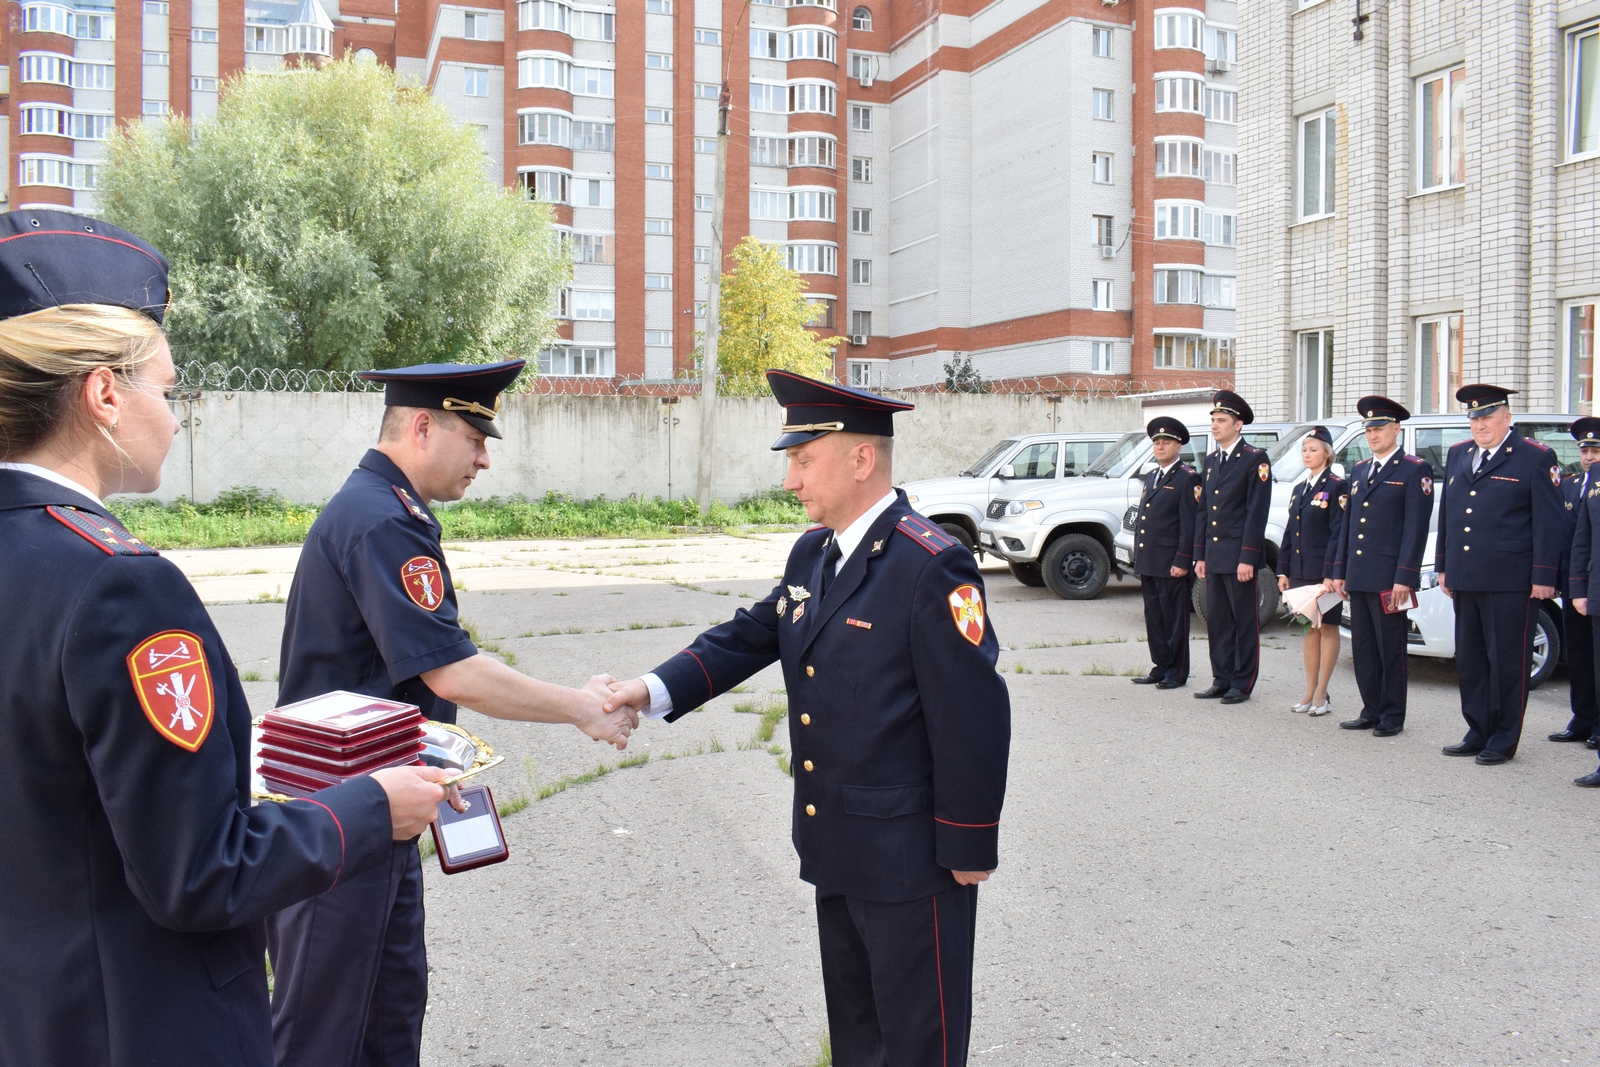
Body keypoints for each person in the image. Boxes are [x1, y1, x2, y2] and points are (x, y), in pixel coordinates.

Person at [0, 210, 451, 1067]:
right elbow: (202, 872)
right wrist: (373, 805)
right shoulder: (119, 586)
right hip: (139, 1025)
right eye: (166, 391)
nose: (175, 419)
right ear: (103, 395)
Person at [603, 370, 1011, 1067]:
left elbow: (974, 713)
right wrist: (648, 688)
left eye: (802, 458)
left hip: (913, 862)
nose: (790, 478)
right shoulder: (813, 553)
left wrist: (970, 846)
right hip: (837, 845)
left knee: (920, 1046)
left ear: (860, 459)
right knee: (858, 1039)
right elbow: (751, 634)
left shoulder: (930, 564)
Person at [266, 360, 636, 1067]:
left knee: (387, 1021)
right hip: (336, 827)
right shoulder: (381, 520)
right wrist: (584, 709)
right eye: (474, 436)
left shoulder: (387, 510)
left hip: (374, 814)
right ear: (422, 425)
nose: (485, 458)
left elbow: (401, 677)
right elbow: (454, 669)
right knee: (319, 1037)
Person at [1435, 384, 1564, 765]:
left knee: (1507, 660)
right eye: (1474, 418)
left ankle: (1505, 737)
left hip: (1512, 578)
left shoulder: (1534, 457)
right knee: (1472, 659)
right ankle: (1478, 729)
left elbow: (1549, 520)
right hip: (1466, 575)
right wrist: (1444, 564)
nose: (1479, 425)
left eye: (1487, 417)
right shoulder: (1459, 454)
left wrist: (1544, 575)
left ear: (1507, 418)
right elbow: (1449, 516)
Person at [1329, 398, 1433, 736]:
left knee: (1391, 649)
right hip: (1360, 574)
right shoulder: (1360, 470)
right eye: (1369, 430)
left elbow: (1415, 529)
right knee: (1363, 648)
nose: (1373, 435)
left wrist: (1406, 576)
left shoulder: (1413, 469)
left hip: (1390, 577)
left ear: (1396, 429)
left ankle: (1392, 715)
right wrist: (1340, 570)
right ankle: (1370, 709)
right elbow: (1348, 525)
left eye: (1379, 429)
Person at [1192, 389, 1272, 704]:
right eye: (1213, 419)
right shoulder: (1212, 460)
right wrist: (1199, 554)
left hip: (1239, 557)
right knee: (1218, 620)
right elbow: (1204, 511)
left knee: (1243, 621)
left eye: (1221, 420)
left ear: (1238, 425)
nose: (1215, 425)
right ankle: (1221, 677)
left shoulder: (1254, 459)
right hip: (1214, 556)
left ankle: (1242, 682)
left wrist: (1248, 557)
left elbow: (1256, 512)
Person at [1277, 425, 1349, 716]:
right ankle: (1309, 689)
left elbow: (1338, 532)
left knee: (1328, 627)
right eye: (1304, 450)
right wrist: (1283, 571)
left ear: (1327, 454)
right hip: (1301, 570)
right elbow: (1290, 532)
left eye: (1313, 449)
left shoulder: (1336, 486)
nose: (1308, 454)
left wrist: (1332, 573)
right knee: (1309, 629)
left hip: (1324, 574)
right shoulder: (1300, 488)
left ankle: (1322, 693)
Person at [1131, 416, 1201, 689]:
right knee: (1155, 617)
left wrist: (1183, 559)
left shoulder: (1187, 478)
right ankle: (1160, 666)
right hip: (1150, 560)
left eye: (1166, 442)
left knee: (1174, 619)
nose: (1160, 446)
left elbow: (1189, 523)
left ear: (1178, 446)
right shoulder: (1151, 476)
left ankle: (1177, 671)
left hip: (1171, 562)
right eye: (1157, 442)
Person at [1549, 417, 1600, 747]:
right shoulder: (1568, 485)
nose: (1591, 456)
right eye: (1586, 450)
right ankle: (1581, 717)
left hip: (1594, 584)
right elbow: (1562, 537)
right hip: (1573, 583)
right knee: (1579, 656)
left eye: (1597, 450)